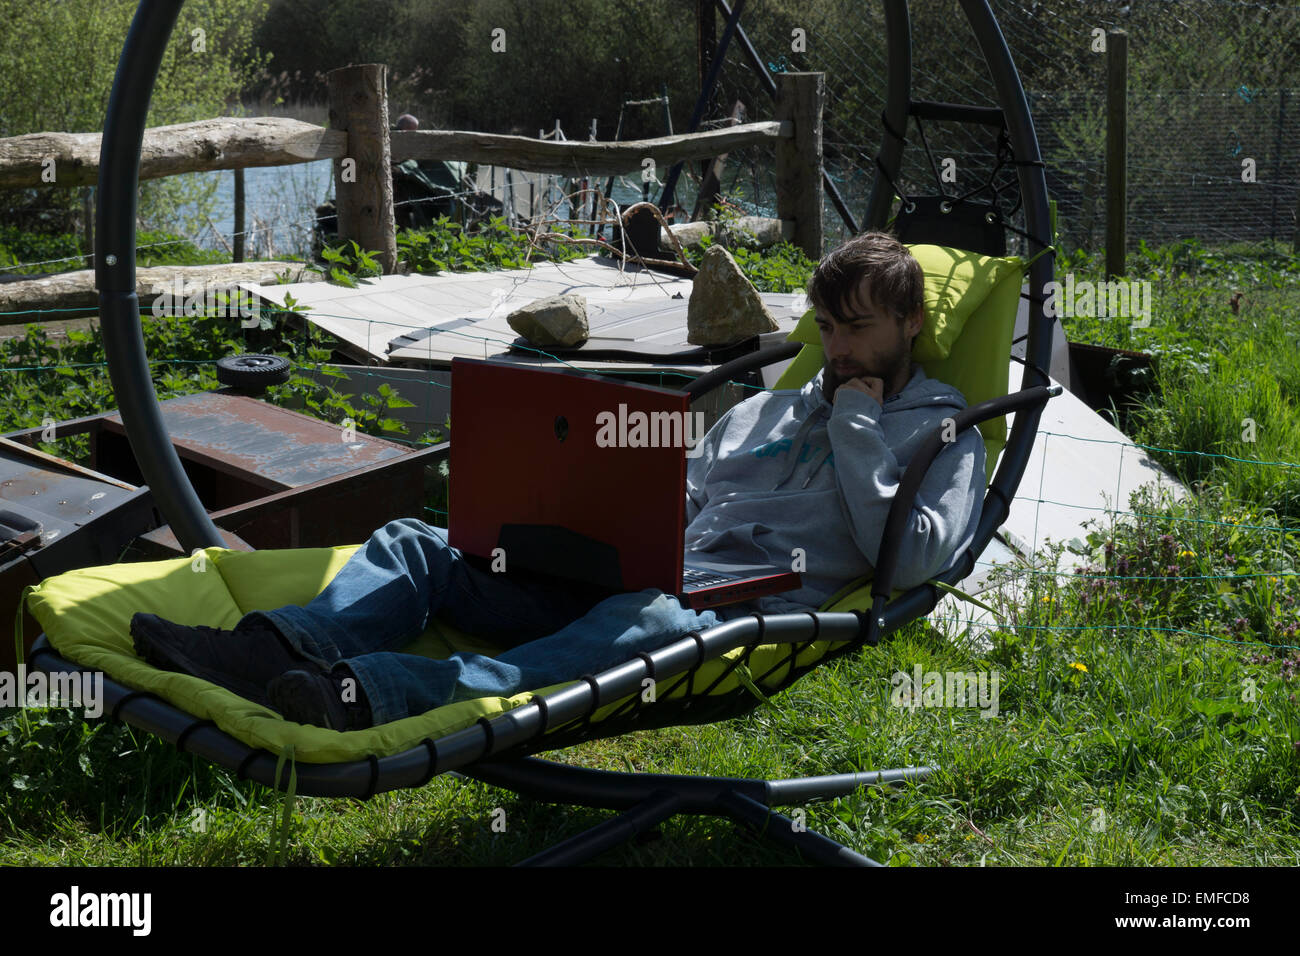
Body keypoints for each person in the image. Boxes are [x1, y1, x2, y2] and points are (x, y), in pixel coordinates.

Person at [130, 231, 985, 731]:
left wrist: (860, 428)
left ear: (911, 322)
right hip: (636, 574)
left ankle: (365, 694)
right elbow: (679, 492)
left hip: (727, 611)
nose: (837, 351)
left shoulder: (942, 435)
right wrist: (597, 515)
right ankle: (269, 651)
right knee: (418, 544)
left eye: (859, 329)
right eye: (828, 328)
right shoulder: (777, 407)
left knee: (641, 615)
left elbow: (908, 564)